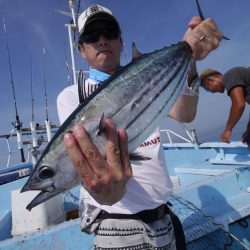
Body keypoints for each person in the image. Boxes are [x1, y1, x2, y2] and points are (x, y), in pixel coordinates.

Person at [57, 4, 222, 249]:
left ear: (121, 42)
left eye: (109, 32)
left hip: (164, 218)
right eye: (92, 36)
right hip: (118, 225)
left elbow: (186, 114)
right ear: (82, 50)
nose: (102, 40)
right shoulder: (73, 96)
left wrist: (190, 57)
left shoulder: (150, 77)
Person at [200, 67, 250, 144]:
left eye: (208, 89)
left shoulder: (230, 75)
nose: (212, 92)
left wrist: (228, 129)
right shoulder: (234, 79)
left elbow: (239, 104)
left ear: (210, 81)